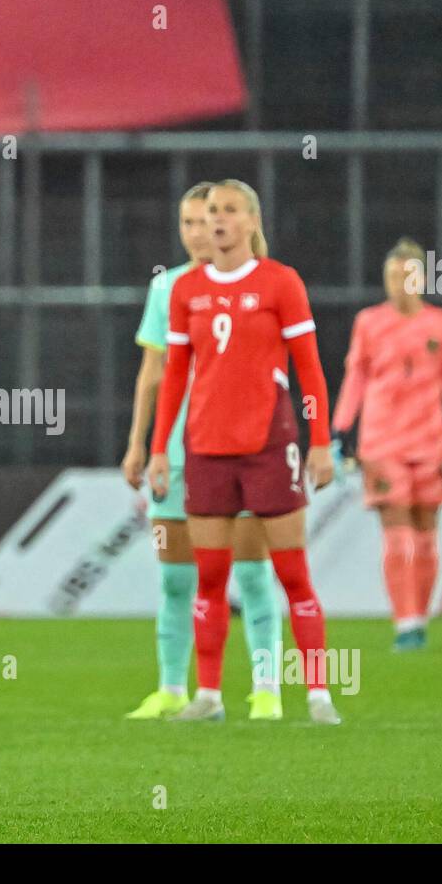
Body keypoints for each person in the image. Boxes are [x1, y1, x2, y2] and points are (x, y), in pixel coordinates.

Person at [148, 179, 342, 725]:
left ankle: (319, 694)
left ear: (252, 221)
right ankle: (208, 696)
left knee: (292, 575)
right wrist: (159, 449)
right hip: (205, 450)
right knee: (208, 579)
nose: (217, 221)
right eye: (212, 211)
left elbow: (310, 368)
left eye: (229, 211)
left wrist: (321, 442)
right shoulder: (185, 291)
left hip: (268, 446)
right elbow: (174, 377)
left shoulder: (281, 282)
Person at [121, 181, 287, 722]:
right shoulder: (168, 288)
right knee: (176, 577)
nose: (199, 232)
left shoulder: (262, 284)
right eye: (188, 223)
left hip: (239, 449)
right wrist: (138, 445)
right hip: (174, 452)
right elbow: (152, 374)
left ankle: (266, 689)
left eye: (207, 219)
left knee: (253, 572)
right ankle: (173, 687)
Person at [330, 237, 442, 651]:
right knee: (397, 534)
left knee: (427, 535)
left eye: (408, 275)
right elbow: (356, 377)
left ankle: (420, 618)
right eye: (393, 276)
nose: (399, 283)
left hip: (430, 443)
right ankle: (404, 621)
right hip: (381, 443)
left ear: (423, 278)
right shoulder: (369, 322)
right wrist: (340, 432)